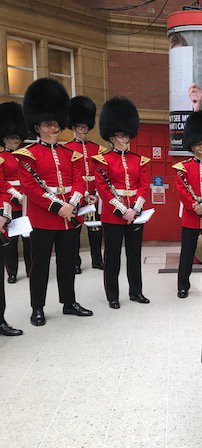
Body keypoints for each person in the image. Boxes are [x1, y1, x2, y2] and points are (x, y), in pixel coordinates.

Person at [14, 78, 93, 326]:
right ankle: (37, 307)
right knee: (40, 268)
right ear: (37, 126)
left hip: (70, 218)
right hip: (44, 219)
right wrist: (60, 207)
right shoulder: (28, 155)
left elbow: (80, 180)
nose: (54, 127)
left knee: (68, 263)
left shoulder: (71, 153)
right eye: (48, 124)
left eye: (56, 123)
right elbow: (31, 188)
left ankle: (68, 302)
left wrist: (73, 202)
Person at [93, 97, 150, 309]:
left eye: (126, 134)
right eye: (120, 134)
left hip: (135, 214)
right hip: (113, 216)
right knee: (113, 258)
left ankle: (136, 292)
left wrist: (135, 209)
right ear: (111, 136)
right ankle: (113, 296)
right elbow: (104, 191)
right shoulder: (103, 160)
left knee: (134, 256)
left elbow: (143, 185)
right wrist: (123, 211)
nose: (124, 138)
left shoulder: (139, 160)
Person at [173, 111, 202, 299]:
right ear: (192, 145)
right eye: (198, 143)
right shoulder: (183, 167)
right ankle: (183, 286)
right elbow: (182, 191)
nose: (201, 146)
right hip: (191, 217)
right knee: (187, 254)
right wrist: (195, 206)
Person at [65, 96, 104, 272]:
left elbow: (100, 173)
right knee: (74, 232)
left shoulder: (97, 149)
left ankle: (97, 260)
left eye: (86, 126)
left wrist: (95, 195)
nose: (83, 130)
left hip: (93, 197)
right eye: (80, 126)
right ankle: (74, 262)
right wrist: (81, 195)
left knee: (95, 230)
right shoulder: (66, 148)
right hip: (76, 196)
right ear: (73, 127)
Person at [0, 102, 31, 283]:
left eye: (17, 138)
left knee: (28, 238)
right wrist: (16, 194)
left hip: (27, 202)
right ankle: (12, 271)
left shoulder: (25, 156)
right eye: (11, 138)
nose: (15, 141)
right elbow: (1, 182)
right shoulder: (2, 158)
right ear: (4, 138)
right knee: (11, 240)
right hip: (11, 203)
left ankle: (30, 268)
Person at [0, 148, 22, 336]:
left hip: (23, 202)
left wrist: (2, 213)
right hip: (14, 200)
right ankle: (13, 271)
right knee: (11, 244)